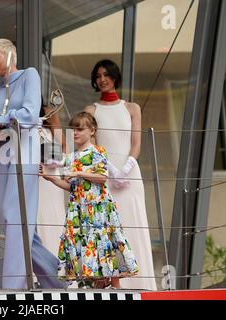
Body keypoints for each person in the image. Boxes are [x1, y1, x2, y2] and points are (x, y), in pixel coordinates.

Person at [0, 38, 66, 289]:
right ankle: (56, 278)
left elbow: (30, 113)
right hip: (3, 155)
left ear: (9, 56)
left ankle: (13, 286)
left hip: (25, 152)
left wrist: (1, 119)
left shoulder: (30, 75)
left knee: (16, 216)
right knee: (12, 218)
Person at [41, 111, 139, 289]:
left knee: (104, 245)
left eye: (79, 129)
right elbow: (72, 187)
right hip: (79, 210)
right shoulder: (71, 157)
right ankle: (96, 285)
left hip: (98, 209)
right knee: (86, 247)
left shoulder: (97, 151)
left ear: (92, 131)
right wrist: (53, 179)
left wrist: (78, 173)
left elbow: (102, 177)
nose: (75, 133)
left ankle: (115, 287)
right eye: (73, 129)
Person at [84, 59, 157, 290]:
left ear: (115, 76)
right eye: (98, 76)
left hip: (130, 175)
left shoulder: (132, 108)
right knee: (109, 228)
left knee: (133, 223)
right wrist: (111, 170)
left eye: (106, 74)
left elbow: (136, 143)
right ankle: (114, 282)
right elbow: (92, 146)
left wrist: (125, 168)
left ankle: (141, 282)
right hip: (105, 176)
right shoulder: (91, 111)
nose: (102, 79)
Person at [37, 102, 66, 255]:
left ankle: (59, 258)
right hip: (32, 175)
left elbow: (63, 144)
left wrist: (60, 160)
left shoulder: (49, 113)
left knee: (54, 214)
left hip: (51, 174)